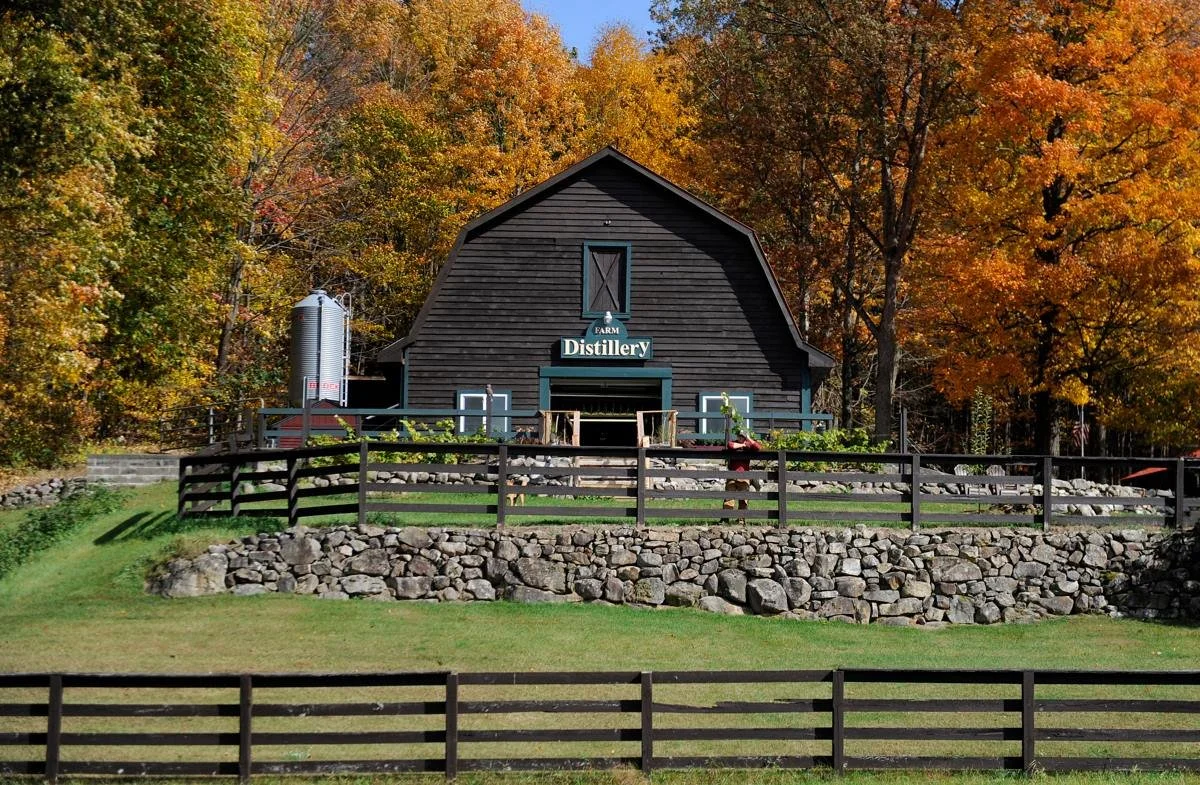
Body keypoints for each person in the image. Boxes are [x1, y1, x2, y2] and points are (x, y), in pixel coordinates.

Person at [724, 428, 762, 524]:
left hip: (744, 475)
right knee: (729, 498)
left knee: (743, 499)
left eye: (743, 436)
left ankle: (741, 520)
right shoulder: (734, 443)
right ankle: (726, 518)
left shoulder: (748, 445)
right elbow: (730, 445)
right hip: (732, 475)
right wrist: (743, 445)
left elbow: (758, 447)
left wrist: (748, 439)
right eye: (739, 436)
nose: (741, 438)